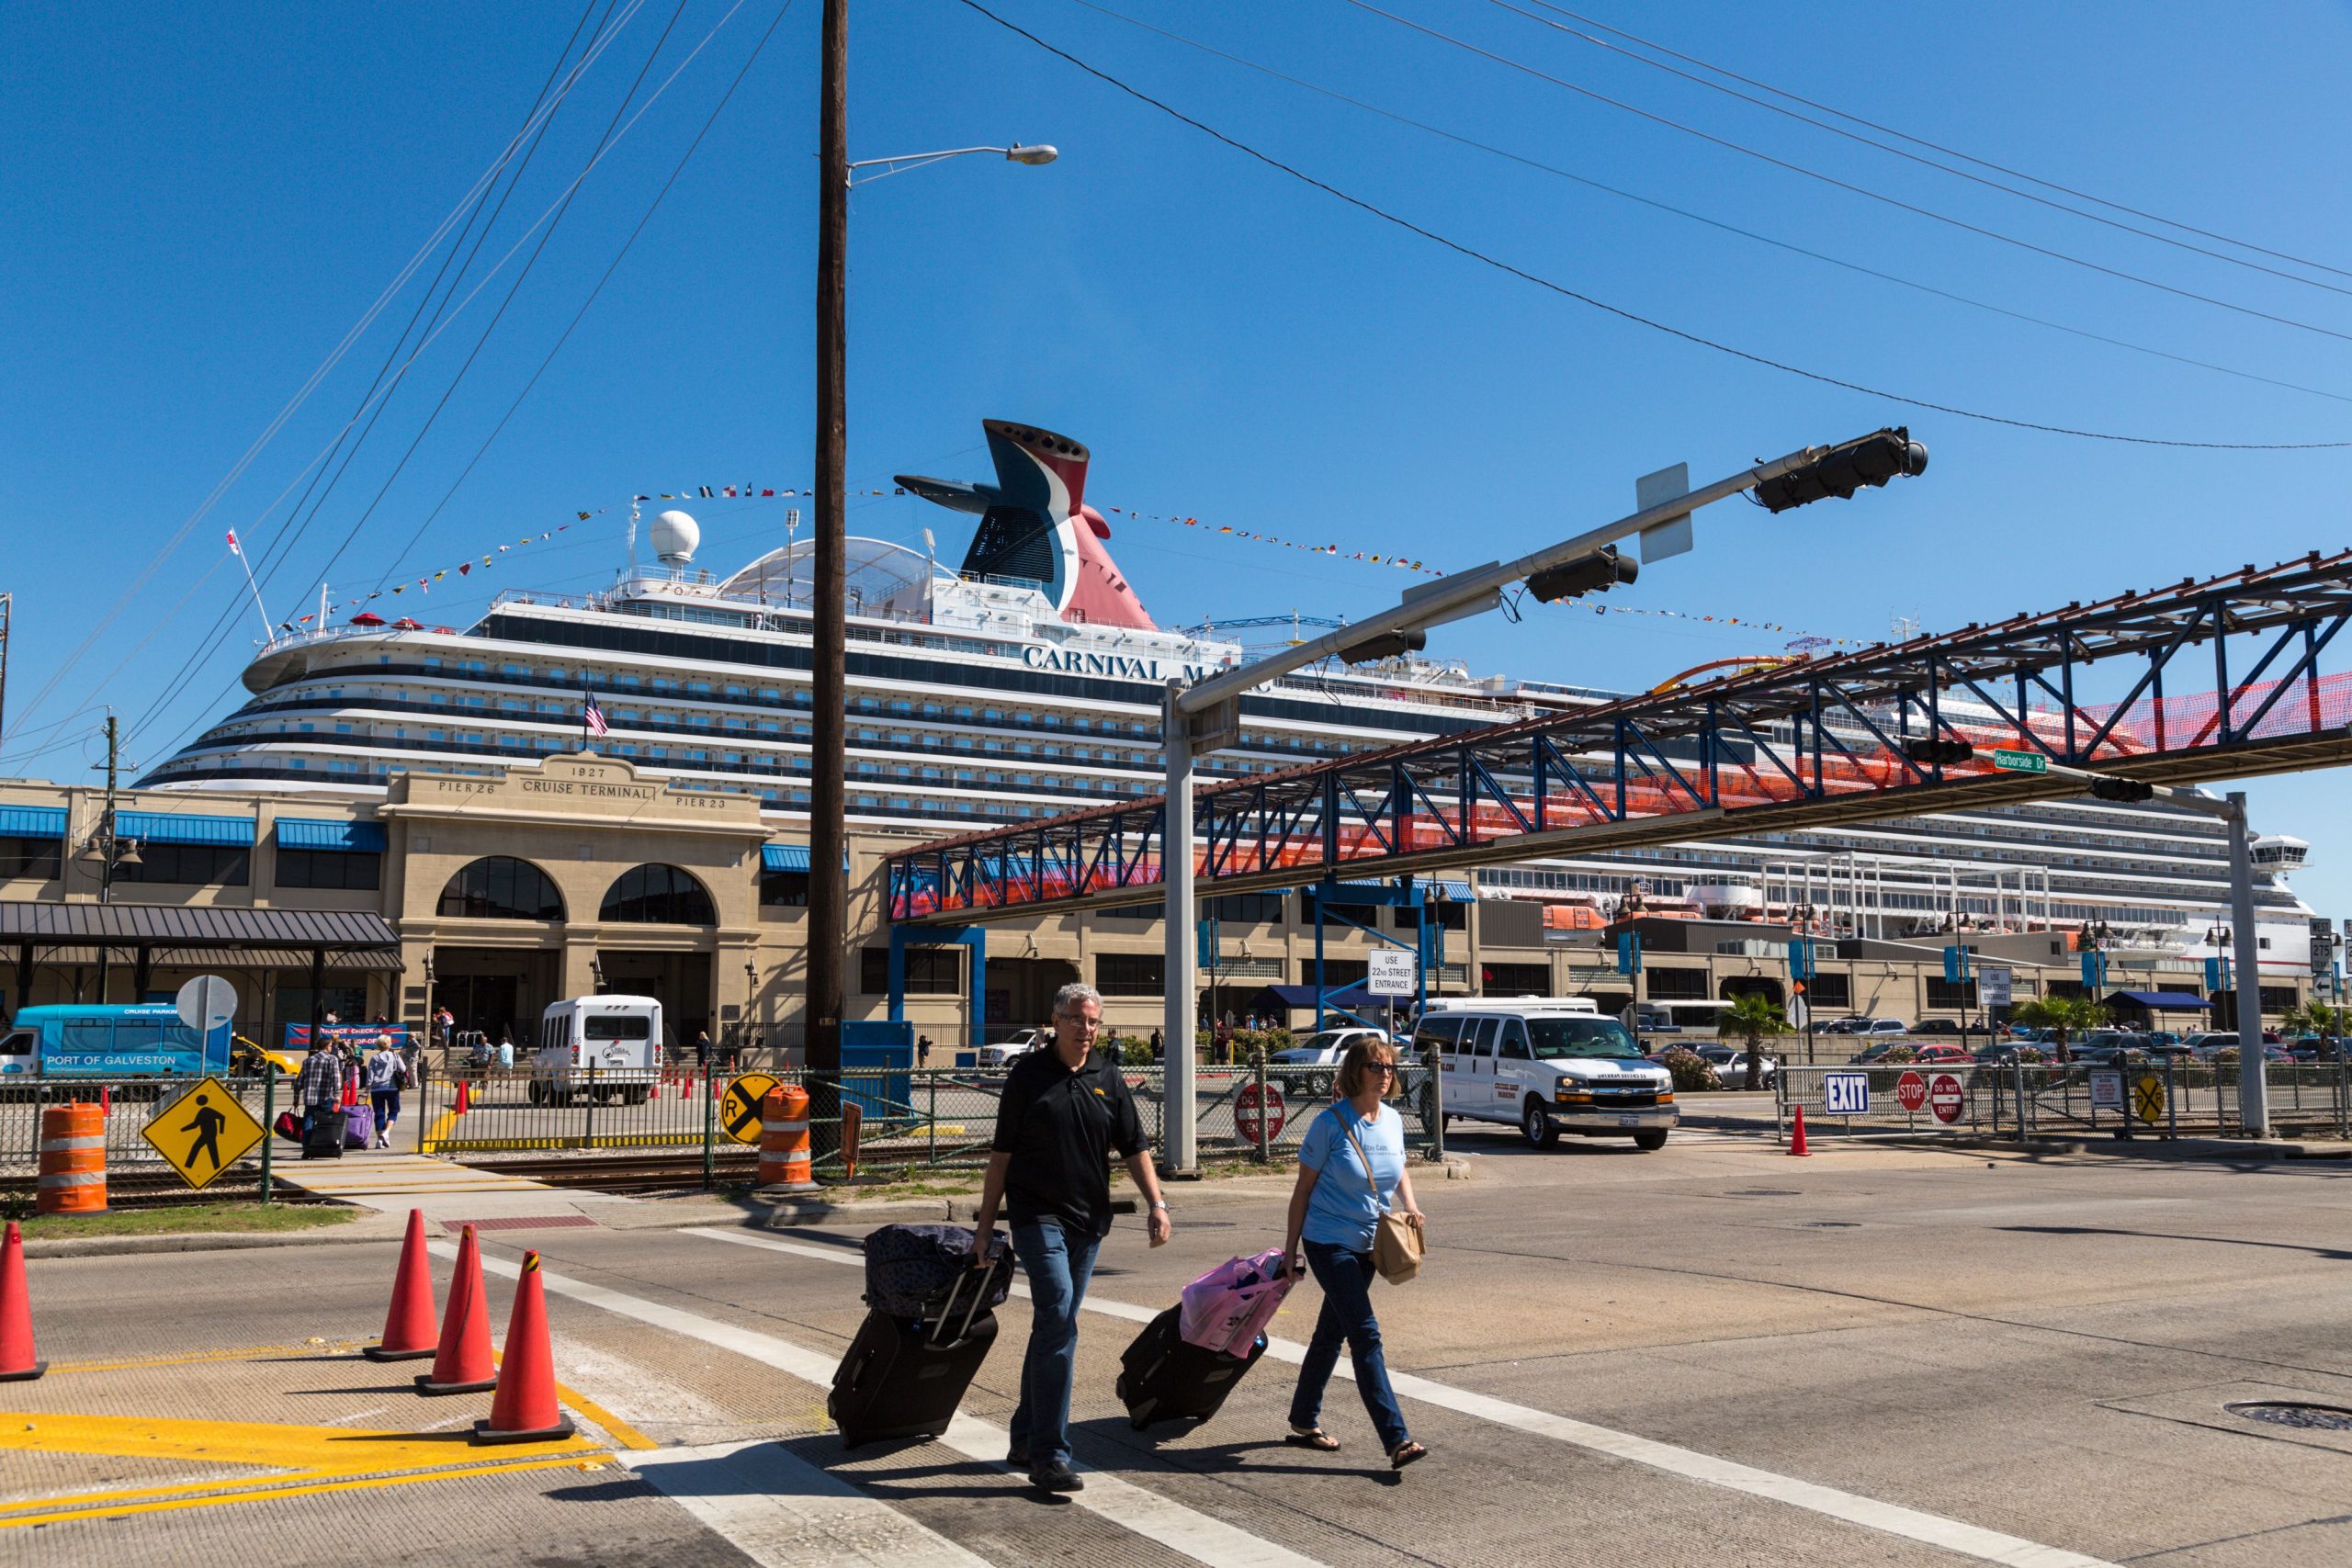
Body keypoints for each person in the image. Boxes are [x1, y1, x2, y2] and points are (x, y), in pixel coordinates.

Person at [973, 981, 1171, 1494]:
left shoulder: (1108, 1074)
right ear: (1056, 1022)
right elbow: (1001, 1158)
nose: (1087, 1029)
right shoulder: (1028, 1075)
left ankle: (1022, 1434)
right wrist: (983, 1228)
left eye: (1094, 1021)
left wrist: (1157, 1203)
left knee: (1051, 1328)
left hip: (1090, 1221)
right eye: (1078, 1020)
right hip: (1037, 1216)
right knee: (1059, 1317)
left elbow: (1133, 1145)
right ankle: (1050, 1454)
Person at [1281, 1036, 1427, 1470]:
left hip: (1371, 1242)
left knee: (1332, 1333)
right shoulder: (1330, 1123)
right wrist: (1290, 1252)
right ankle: (1396, 1438)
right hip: (1328, 1241)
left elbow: (1398, 1168)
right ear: (1355, 1072)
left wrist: (1411, 1205)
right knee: (1366, 1333)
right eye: (1376, 1067)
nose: (1385, 1075)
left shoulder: (1394, 1121)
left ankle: (1303, 1419)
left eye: (1389, 1068)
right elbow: (1302, 1190)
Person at [366, 1034, 407, 1150]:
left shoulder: (374, 1058)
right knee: (393, 1111)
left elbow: (370, 1075)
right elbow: (403, 1069)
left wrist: (367, 1089)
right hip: (392, 1087)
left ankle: (380, 1139)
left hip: (376, 1088)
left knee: (379, 1113)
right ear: (389, 1044)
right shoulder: (395, 1056)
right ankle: (386, 1133)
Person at [295, 1038, 341, 1141]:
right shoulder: (332, 1059)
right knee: (325, 1121)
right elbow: (336, 1078)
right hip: (326, 1097)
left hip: (309, 1098)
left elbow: (298, 1082)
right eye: (330, 1046)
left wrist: (296, 1099)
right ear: (326, 1047)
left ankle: (306, 1147)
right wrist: (337, 1094)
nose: (331, 1048)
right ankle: (322, 1144)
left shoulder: (308, 1061)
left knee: (309, 1120)